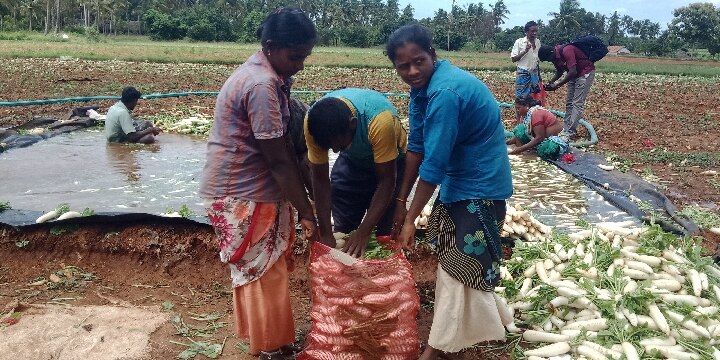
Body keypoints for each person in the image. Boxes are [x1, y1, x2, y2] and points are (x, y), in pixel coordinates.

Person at [385, 24, 514, 360]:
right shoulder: (423, 89)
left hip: (480, 184)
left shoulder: (445, 93)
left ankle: (439, 347)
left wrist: (412, 218)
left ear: (433, 55)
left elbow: (435, 163)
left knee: (460, 264)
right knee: (454, 258)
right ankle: (483, 324)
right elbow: (416, 146)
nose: (412, 71)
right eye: (403, 66)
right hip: (462, 180)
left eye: (419, 61)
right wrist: (400, 203)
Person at [198, 7, 317, 360]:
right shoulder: (262, 85)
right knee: (266, 272)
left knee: (266, 268)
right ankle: (271, 348)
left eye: (304, 57)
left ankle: (267, 340)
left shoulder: (267, 75)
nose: (299, 64)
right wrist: (307, 212)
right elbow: (279, 160)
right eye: (294, 56)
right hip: (244, 192)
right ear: (270, 46)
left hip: (249, 189)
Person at [305, 88, 407, 257]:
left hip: (392, 164)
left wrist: (364, 231)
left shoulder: (379, 121)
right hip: (353, 161)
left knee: (384, 233)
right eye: (330, 147)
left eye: (338, 144)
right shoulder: (313, 124)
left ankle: (380, 274)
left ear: (352, 124)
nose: (336, 151)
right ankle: (348, 274)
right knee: (344, 226)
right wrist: (325, 232)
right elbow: (320, 180)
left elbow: (387, 182)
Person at [539, 42, 596, 138]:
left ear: (551, 53)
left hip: (585, 72)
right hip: (574, 75)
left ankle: (570, 132)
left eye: (549, 59)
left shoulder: (567, 50)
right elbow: (560, 71)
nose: (550, 61)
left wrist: (556, 86)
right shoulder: (554, 56)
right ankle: (566, 129)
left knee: (577, 103)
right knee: (569, 103)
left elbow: (573, 71)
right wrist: (550, 83)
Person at [506, 94, 569, 160]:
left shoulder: (536, 113)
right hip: (542, 138)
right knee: (520, 130)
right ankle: (530, 148)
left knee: (546, 149)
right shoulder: (528, 114)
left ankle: (534, 149)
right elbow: (521, 133)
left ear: (527, 106)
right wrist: (505, 143)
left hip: (555, 140)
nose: (517, 111)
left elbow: (539, 137)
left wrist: (519, 149)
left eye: (518, 108)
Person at [511, 21, 543, 106]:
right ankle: (520, 119)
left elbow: (537, 60)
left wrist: (539, 77)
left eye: (536, 31)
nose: (535, 33)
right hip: (523, 74)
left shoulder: (538, 42)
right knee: (520, 98)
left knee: (535, 98)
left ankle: (532, 118)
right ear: (526, 32)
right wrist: (525, 51)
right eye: (532, 31)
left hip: (534, 74)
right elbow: (513, 59)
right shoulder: (519, 42)